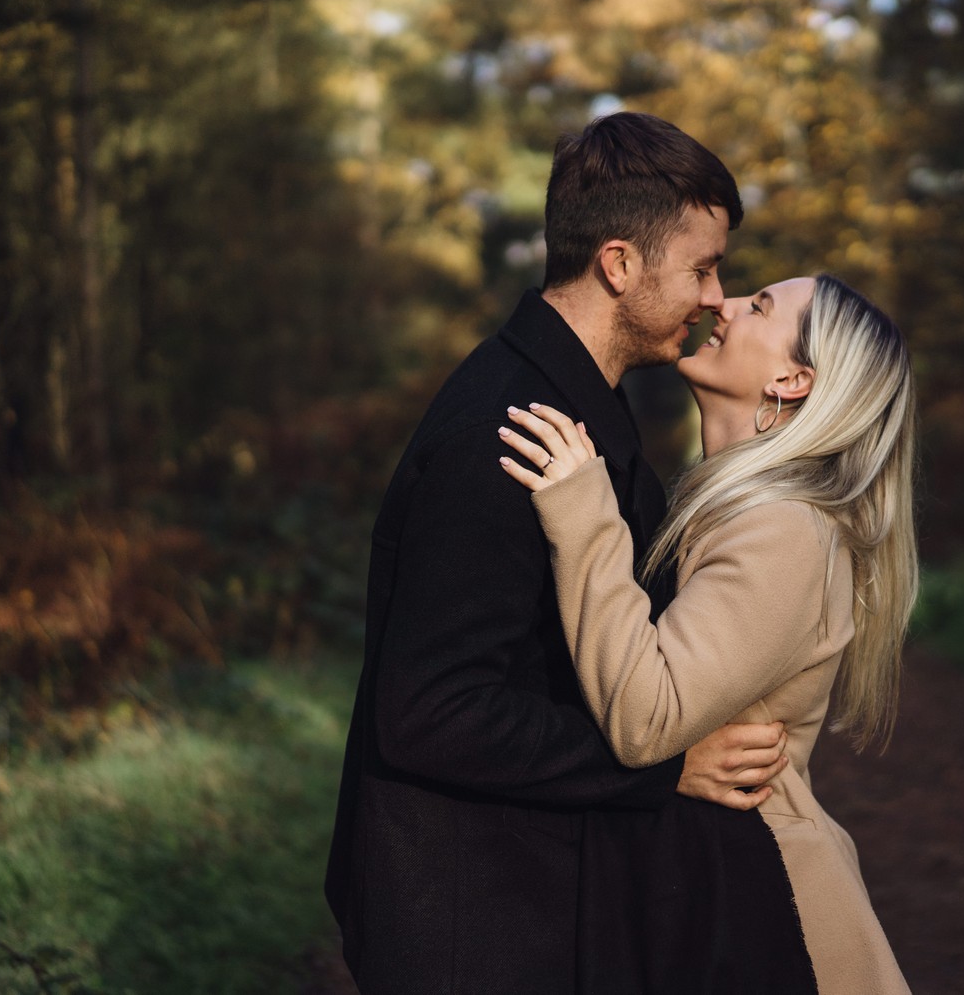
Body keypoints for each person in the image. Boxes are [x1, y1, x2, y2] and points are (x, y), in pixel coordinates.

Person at [323, 112, 815, 995]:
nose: (715, 296)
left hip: (524, 892)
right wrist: (664, 767)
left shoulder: (578, 404)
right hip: (466, 916)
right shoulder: (506, 428)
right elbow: (430, 710)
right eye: (701, 267)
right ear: (619, 264)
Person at [498, 272, 918, 995]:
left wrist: (582, 509)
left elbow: (645, 716)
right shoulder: (732, 510)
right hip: (712, 891)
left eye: (758, 306)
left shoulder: (785, 532)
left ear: (792, 378)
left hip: (764, 915)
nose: (722, 304)